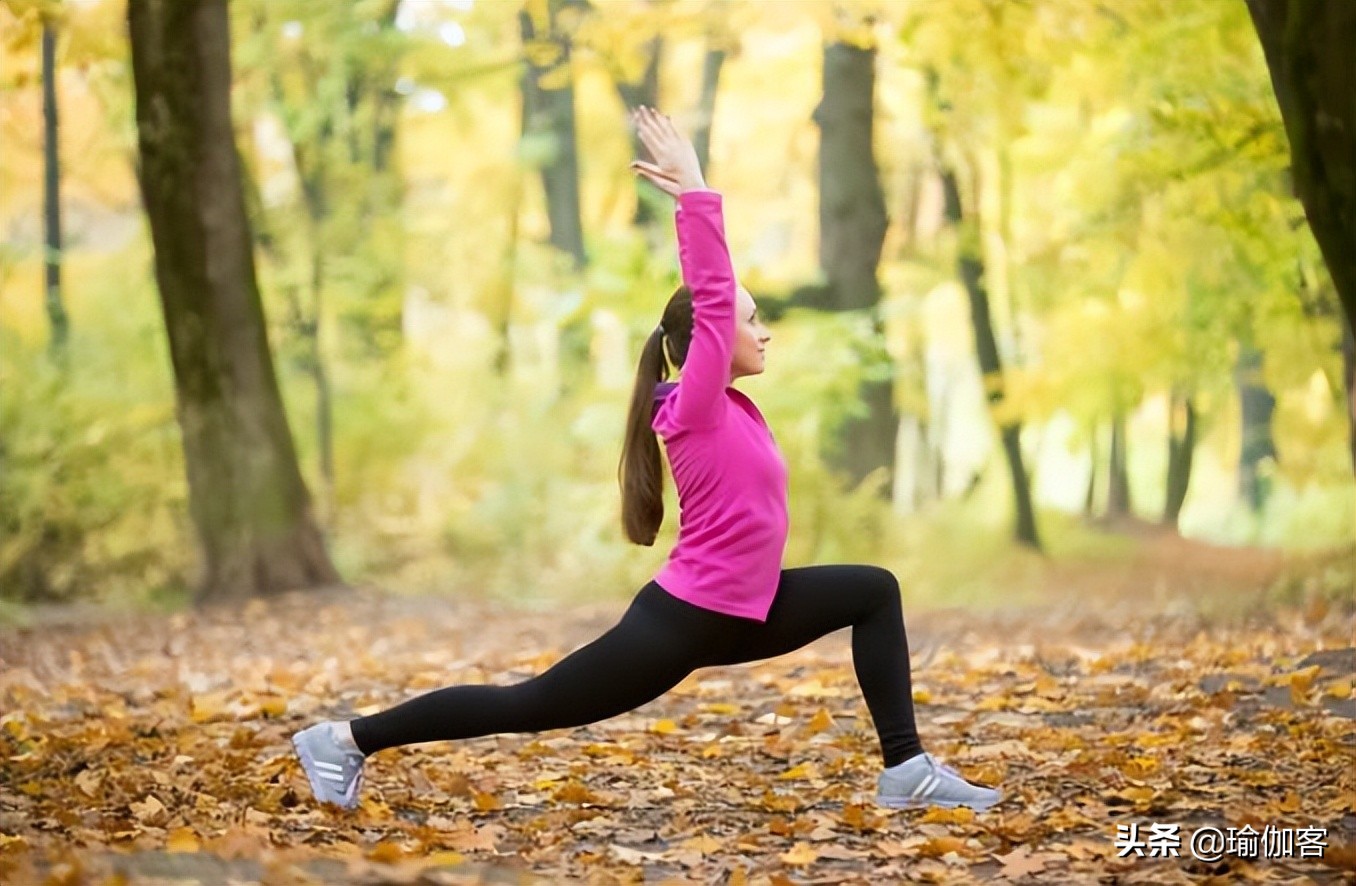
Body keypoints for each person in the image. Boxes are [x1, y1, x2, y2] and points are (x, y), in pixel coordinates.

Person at [291, 106, 1001, 814]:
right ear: (710, 344)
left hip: (746, 608)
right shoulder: (694, 409)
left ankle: (906, 769)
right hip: (685, 620)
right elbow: (716, 301)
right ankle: (346, 740)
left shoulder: (734, 410)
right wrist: (695, 190)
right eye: (753, 321)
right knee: (533, 704)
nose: (764, 331)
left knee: (873, 590)